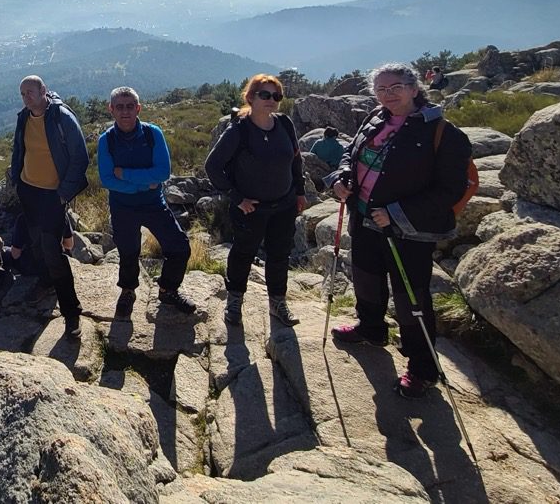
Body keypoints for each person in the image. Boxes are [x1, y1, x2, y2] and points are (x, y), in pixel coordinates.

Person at [330, 63, 471, 399]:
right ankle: (371, 329)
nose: (387, 95)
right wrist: (342, 178)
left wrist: (396, 212)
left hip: (408, 230)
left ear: (414, 87)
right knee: (365, 276)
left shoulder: (441, 132)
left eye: (395, 87)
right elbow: (350, 153)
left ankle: (422, 369)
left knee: (411, 297)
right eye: (380, 89)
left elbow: (451, 189)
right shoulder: (374, 119)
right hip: (364, 217)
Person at [205, 75, 308, 327]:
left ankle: (277, 303)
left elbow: (295, 159)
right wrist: (237, 197)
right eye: (265, 95)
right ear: (250, 97)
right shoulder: (239, 130)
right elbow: (213, 167)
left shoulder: (284, 123)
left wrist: (300, 191)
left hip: (283, 205)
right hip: (251, 208)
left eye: (276, 96)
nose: (271, 100)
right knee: (243, 253)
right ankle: (235, 301)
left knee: (279, 255)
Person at [97, 87, 196, 318]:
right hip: (123, 206)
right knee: (128, 251)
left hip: (153, 203)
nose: (125, 112)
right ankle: (128, 291)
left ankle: (168, 289)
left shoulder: (153, 134)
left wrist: (127, 175)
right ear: (111, 110)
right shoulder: (106, 141)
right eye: (119, 107)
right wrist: (143, 182)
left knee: (179, 246)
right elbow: (108, 179)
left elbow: (162, 173)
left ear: (138, 108)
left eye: (130, 106)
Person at [9, 76, 87, 338]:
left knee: (53, 252)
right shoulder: (24, 117)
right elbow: (19, 149)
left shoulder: (61, 117)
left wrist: (64, 193)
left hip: (52, 194)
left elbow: (80, 157)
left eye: (30, 92)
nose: (26, 97)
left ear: (44, 90)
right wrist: (16, 179)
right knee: (36, 243)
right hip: (29, 190)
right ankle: (45, 282)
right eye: (22, 94)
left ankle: (71, 312)